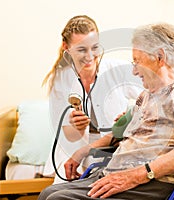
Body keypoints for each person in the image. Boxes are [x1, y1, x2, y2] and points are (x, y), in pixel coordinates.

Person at [38, 22, 174, 199]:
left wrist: (136, 175)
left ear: (160, 57)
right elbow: (125, 135)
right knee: (49, 193)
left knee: (58, 199)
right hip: (118, 174)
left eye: (137, 61)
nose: (133, 71)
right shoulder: (147, 96)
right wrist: (83, 150)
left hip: (156, 182)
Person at [42, 15, 143, 184]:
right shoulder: (60, 79)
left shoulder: (117, 70)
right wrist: (77, 127)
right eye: (82, 50)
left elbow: (152, 97)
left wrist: (132, 115)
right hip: (74, 147)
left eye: (94, 47)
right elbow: (71, 136)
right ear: (66, 48)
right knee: (62, 189)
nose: (90, 56)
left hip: (112, 144)